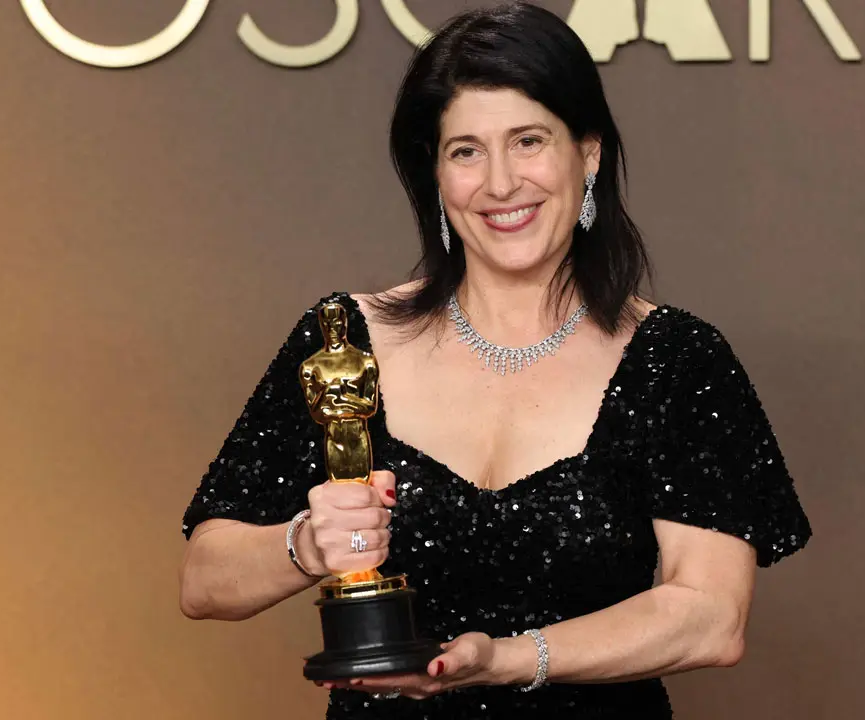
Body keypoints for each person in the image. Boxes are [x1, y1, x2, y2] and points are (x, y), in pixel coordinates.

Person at [177, 3, 811, 718]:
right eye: (466, 151)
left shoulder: (678, 360)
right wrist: (307, 545)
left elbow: (710, 617)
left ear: (589, 153)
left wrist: (505, 660)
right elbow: (204, 580)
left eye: (528, 141)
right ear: (435, 175)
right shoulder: (343, 343)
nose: (501, 183)